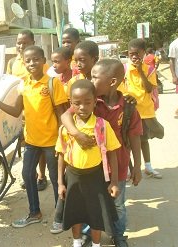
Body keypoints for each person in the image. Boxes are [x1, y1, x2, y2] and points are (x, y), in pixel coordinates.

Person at [60, 59, 143, 247]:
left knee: (118, 204)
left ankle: (118, 234)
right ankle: (90, 233)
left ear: (112, 82)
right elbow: (65, 115)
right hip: (94, 167)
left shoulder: (128, 106)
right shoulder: (89, 102)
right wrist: (77, 133)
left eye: (95, 77)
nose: (91, 80)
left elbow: (136, 137)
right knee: (92, 201)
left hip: (118, 164)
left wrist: (137, 166)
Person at [0, 45, 68, 228]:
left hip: (51, 141)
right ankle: (34, 212)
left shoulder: (52, 83)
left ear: (44, 61)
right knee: (27, 174)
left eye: (36, 59)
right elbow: (16, 110)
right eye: (28, 60)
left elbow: (61, 112)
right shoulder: (24, 84)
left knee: (57, 178)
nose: (32, 63)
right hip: (31, 140)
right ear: (23, 63)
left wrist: (63, 137)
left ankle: (60, 215)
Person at [56, 79, 120, 247]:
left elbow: (112, 153)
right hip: (73, 177)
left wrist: (113, 182)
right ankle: (76, 242)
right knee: (75, 213)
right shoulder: (66, 129)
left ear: (95, 102)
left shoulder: (102, 126)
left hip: (95, 178)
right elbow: (61, 155)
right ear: (71, 103)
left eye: (87, 102)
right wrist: (60, 183)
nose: (82, 107)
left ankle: (96, 244)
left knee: (96, 214)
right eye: (77, 103)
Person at [6, 29, 50, 191]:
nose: (21, 45)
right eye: (18, 42)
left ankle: (41, 176)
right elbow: (8, 83)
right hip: (20, 109)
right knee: (27, 144)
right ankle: (30, 175)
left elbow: (45, 84)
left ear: (32, 43)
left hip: (37, 108)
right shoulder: (12, 63)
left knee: (40, 145)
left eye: (25, 42)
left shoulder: (39, 62)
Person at [119, 38, 163, 179]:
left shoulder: (149, 69)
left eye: (137, 53)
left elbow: (149, 89)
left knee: (144, 140)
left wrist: (140, 72)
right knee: (128, 141)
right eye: (131, 54)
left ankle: (148, 167)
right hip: (129, 111)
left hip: (145, 111)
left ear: (144, 53)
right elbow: (120, 89)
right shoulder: (124, 69)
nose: (133, 57)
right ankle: (127, 168)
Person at [169, 23, 178, 119]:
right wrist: (174, 76)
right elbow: (171, 60)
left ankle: (177, 111)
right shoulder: (174, 44)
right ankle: (177, 111)